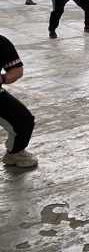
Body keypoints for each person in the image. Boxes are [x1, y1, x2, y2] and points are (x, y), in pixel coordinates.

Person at [0, 35, 37, 168]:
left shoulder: (2, 43)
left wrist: (3, 79)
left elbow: (16, 71)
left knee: (24, 121)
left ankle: (15, 152)